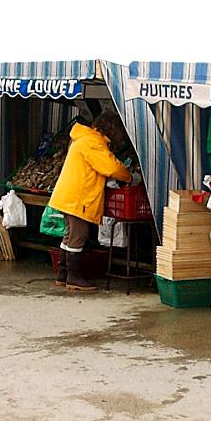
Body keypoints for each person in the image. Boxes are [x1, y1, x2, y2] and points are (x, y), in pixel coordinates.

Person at [48, 112, 132, 291]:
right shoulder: (93, 142)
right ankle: (73, 277)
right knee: (79, 236)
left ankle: (62, 274)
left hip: (68, 196)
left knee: (69, 235)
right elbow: (111, 167)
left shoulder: (84, 139)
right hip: (79, 198)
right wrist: (128, 175)